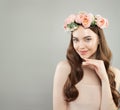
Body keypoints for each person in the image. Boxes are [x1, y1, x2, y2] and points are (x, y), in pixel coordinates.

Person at [53, 11, 120, 110]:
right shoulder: (64, 68)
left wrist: (104, 79)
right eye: (75, 40)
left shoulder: (114, 73)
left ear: (99, 40)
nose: (80, 46)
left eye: (87, 39)